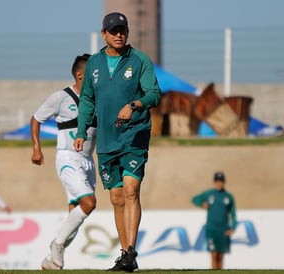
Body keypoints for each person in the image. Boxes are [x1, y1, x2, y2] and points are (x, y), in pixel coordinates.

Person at [74, 11, 161, 272]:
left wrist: (134, 104)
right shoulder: (95, 63)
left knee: (131, 190)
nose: (119, 34)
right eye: (114, 31)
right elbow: (87, 99)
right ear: (104, 34)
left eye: (122, 30)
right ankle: (126, 256)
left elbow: (154, 94)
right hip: (107, 140)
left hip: (134, 135)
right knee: (116, 198)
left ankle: (131, 250)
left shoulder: (140, 60)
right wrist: (81, 132)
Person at [30, 54, 97, 270]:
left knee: (75, 215)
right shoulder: (61, 97)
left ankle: (52, 261)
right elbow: (36, 119)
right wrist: (36, 148)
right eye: (93, 73)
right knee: (89, 203)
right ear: (80, 75)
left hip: (88, 160)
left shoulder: (97, 99)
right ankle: (57, 245)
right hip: (68, 158)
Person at [191, 171, 237, 270]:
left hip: (223, 229)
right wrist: (202, 204)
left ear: (224, 182)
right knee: (214, 254)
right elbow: (195, 199)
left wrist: (233, 227)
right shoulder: (209, 194)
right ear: (214, 182)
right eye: (217, 181)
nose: (219, 183)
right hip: (212, 229)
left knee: (220, 256)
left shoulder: (228, 197)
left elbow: (233, 213)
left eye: (221, 181)